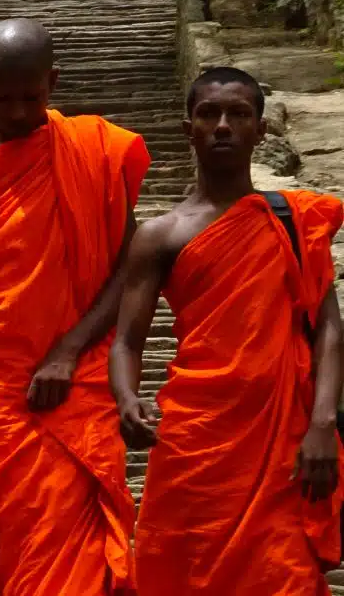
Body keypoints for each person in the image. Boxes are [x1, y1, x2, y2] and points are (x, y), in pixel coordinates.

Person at [0, 19, 149, 596]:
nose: (18, 112)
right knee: (1, 525)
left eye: (33, 97)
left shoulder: (92, 151)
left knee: (71, 535)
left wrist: (68, 351)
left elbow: (131, 270)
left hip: (75, 376)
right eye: (4, 98)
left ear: (54, 81)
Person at [111, 66, 343, 596]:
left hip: (283, 437)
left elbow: (329, 327)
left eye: (238, 114)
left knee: (282, 574)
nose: (222, 125)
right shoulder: (160, 235)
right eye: (208, 114)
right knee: (181, 569)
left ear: (261, 131)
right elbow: (127, 340)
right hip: (196, 437)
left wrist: (323, 424)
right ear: (186, 127)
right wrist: (125, 396)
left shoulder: (293, 220)